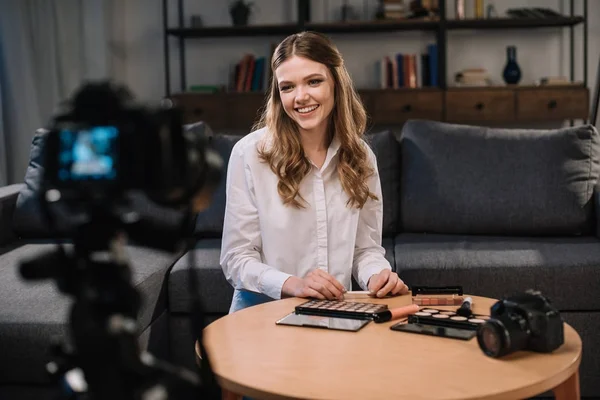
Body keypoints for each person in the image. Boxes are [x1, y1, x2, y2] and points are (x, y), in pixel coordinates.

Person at [220, 31, 409, 314]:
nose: (300, 97)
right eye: (287, 87)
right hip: (262, 314)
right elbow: (236, 258)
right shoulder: (249, 154)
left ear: (335, 83)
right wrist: (292, 284)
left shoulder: (361, 157)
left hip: (336, 312)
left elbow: (365, 250)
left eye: (313, 81)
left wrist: (378, 276)